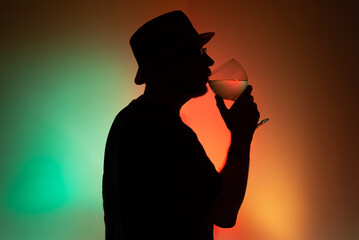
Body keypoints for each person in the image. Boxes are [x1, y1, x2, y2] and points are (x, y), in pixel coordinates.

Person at [102, 10, 260, 240]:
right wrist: (242, 135)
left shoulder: (125, 120)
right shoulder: (164, 130)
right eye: (198, 53)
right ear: (167, 67)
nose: (209, 61)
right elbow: (224, 212)